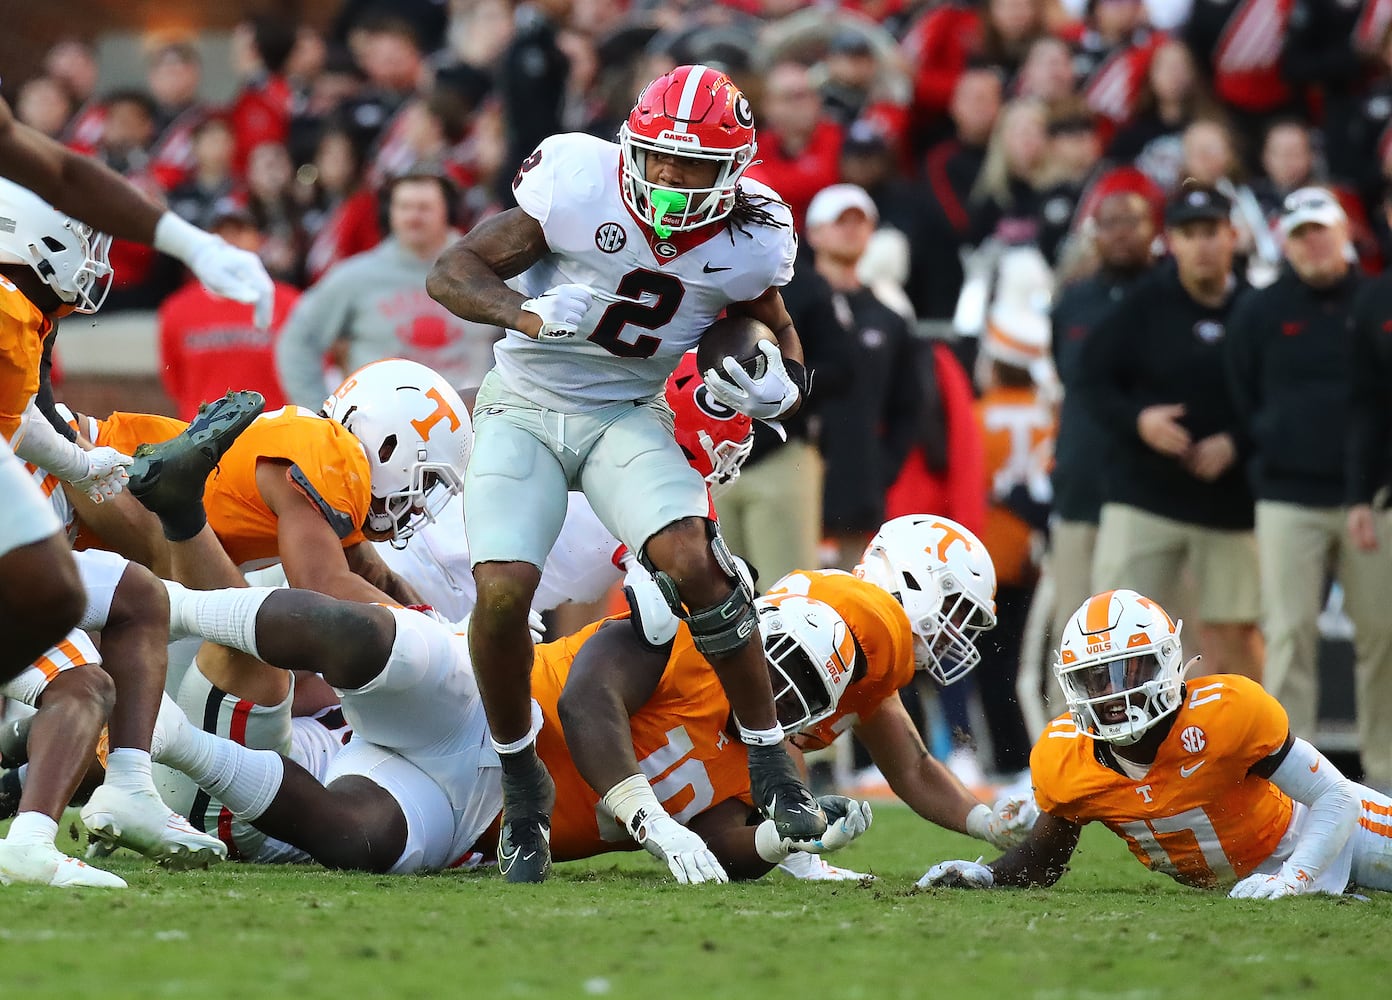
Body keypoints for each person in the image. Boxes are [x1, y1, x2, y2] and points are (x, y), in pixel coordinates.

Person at [426, 64, 822, 883]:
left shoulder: (755, 235)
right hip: (525, 403)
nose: (672, 182)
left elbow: (766, 322)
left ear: (735, 172)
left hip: (627, 412)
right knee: (501, 593)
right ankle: (521, 776)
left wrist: (782, 379)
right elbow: (454, 270)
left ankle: (773, 764)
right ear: (629, 147)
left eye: (694, 169)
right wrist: (523, 311)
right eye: (660, 160)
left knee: (697, 565)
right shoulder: (577, 182)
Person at [148, 584, 867, 880]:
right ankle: (165, 603)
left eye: (800, 690)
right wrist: (646, 816)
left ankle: (170, 737)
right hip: (485, 702)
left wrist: (779, 839)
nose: (776, 693)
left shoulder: (769, 771)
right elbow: (589, 703)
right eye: (779, 667)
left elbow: (720, 843)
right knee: (356, 633)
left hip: (480, 817)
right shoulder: (678, 642)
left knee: (353, 838)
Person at [0, 86, 276, 682]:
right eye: (86, 241)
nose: (97, 258)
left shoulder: (24, 309)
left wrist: (191, 244)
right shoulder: (7, 305)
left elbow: (64, 173)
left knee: (81, 596)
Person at [919, 588, 1392, 898]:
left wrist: (1296, 878)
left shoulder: (1226, 712)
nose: (1115, 694)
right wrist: (984, 875)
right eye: (1096, 679)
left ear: (1167, 662)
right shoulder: (1067, 757)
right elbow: (1042, 860)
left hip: (1335, 835)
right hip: (1255, 881)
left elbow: (1336, 796)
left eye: (1131, 670)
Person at [1226, 189, 1392, 793]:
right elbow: (1243, 395)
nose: (1312, 243)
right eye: (1299, 234)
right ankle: (1295, 787)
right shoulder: (1262, 311)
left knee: (1383, 636)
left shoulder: (1375, 299)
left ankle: (1385, 781)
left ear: (1344, 231)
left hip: (1371, 497)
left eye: (1320, 230)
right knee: (1289, 636)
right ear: (1285, 243)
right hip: (1287, 495)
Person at [1077, 181, 1263, 679]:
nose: (1201, 244)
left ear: (1232, 236)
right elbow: (1089, 379)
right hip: (1144, 494)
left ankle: (1250, 750)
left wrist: (1236, 442)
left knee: (1236, 639)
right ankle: (1122, 751)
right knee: (1117, 634)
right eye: (1189, 233)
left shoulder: (1256, 310)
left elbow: (1281, 398)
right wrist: (1139, 422)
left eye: (1211, 232)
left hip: (1228, 503)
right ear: (1172, 242)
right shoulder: (1142, 306)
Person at [1048, 189, 1158, 674]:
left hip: (1149, 490)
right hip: (1081, 479)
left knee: (1148, 625)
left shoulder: (1167, 296)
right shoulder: (1073, 300)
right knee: (1075, 627)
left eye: (1130, 221)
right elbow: (1066, 375)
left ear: (1152, 229)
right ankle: (1072, 742)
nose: (1119, 233)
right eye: (1108, 222)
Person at [277, 172, 500, 409]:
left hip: (473, 425)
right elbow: (298, 338)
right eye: (404, 207)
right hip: (377, 433)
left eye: (424, 207)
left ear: (450, 213)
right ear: (389, 213)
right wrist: (317, 413)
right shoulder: (357, 276)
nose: (413, 216)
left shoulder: (489, 272)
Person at [804, 184, 919, 570]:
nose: (851, 230)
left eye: (860, 221)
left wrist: (881, 465)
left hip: (858, 482)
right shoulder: (789, 306)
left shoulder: (889, 316)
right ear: (814, 232)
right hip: (795, 470)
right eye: (840, 221)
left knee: (853, 590)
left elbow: (910, 403)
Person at [158, 200, 300, 421]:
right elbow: (174, 384)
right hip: (203, 440)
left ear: (258, 239)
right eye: (221, 233)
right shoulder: (177, 309)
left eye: (240, 231)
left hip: (274, 437)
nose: (231, 241)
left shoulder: (290, 303)